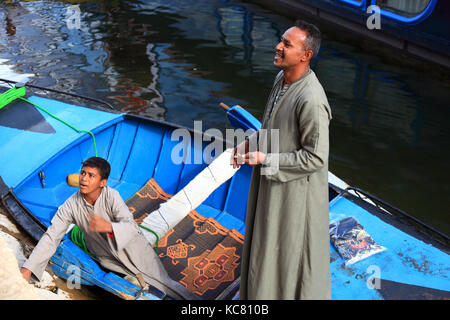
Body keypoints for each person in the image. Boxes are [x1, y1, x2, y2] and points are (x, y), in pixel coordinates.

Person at [232, 20, 332, 299]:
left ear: (305, 55)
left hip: (294, 195)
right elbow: (271, 128)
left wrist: (266, 158)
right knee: (265, 245)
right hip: (272, 183)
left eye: (287, 44)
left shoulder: (311, 99)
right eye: (281, 40)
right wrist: (250, 143)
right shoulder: (281, 79)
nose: (278, 46)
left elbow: (315, 158)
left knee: (284, 254)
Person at [20, 157, 197, 300]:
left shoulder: (112, 196)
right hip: (107, 259)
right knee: (143, 289)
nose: (83, 178)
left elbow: (130, 226)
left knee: (166, 284)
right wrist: (28, 268)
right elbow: (52, 237)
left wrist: (108, 227)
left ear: (102, 182)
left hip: (135, 250)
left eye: (91, 175)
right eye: (83, 173)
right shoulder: (70, 205)